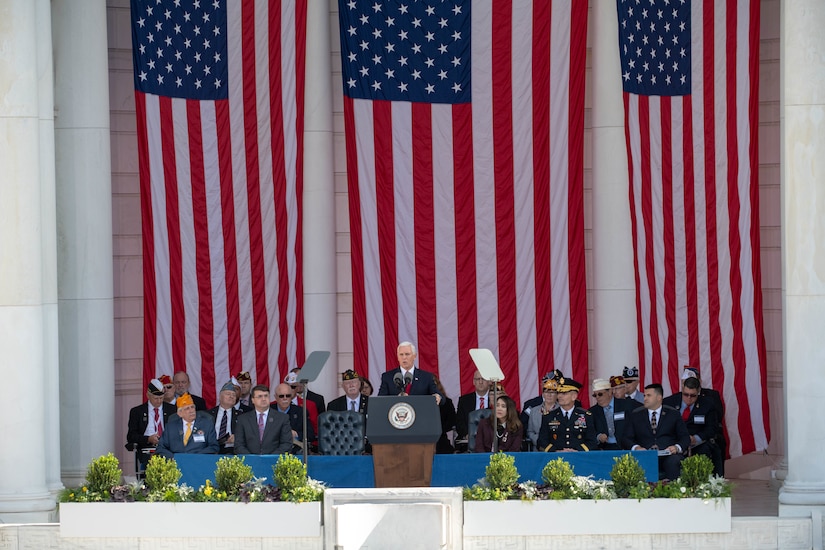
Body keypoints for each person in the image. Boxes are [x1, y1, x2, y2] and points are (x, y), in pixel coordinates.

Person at [622, 383, 690, 480]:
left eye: (648, 396)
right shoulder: (636, 415)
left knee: (674, 461)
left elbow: (685, 437)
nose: (645, 398)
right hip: (645, 454)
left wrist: (676, 447)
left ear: (659, 398)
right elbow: (626, 438)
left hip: (668, 455)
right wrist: (636, 448)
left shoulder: (673, 414)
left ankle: (674, 492)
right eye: (644, 395)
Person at [663, 376, 724, 475]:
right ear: (682, 389)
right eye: (686, 394)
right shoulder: (669, 402)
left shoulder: (707, 405)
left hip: (697, 444)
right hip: (674, 443)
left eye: (693, 395)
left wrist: (696, 438)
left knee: (705, 452)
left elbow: (712, 428)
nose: (689, 398)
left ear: (698, 392)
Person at [126, 378, 177, 468]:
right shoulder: (137, 411)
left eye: (161, 398)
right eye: (156, 398)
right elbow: (131, 436)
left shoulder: (172, 410)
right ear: (148, 396)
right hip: (146, 449)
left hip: (167, 448)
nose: (159, 401)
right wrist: (148, 439)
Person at [536, 377, 597, 452]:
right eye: (558, 393)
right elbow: (542, 441)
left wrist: (577, 451)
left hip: (579, 458)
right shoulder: (549, 416)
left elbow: (592, 441)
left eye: (564, 393)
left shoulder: (586, 416)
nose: (559, 396)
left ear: (574, 396)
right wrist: (556, 451)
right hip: (556, 459)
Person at [377, 341, 443, 405]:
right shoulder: (387, 377)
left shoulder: (426, 377)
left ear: (414, 356)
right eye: (401, 354)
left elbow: (441, 398)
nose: (404, 357)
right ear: (398, 357)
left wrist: (438, 396)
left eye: (407, 354)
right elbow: (380, 400)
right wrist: (396, 399)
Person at [234, 385, 293, 455]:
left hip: (274, 462)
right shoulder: (243, 419)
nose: (263, 399)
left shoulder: (282, 418)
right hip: (249, 462)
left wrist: (269, 459)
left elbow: (286, 444)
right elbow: (239, 445)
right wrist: (252, 458)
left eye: (266, 396)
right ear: (252, 400)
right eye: (260, 396)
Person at [156, 393, 218, 458]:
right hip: (175, 462)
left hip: (198, 461)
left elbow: (214, 446)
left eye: (192, 407)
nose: (191, 411)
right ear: (180, 413)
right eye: (187, 408)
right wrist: (174, 457)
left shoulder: (206, 424)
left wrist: (196, 457)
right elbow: (161, 448)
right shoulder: (170, 427)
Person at [588, 378, 636, 450]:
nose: (597, 397)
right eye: (595, 395)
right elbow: (589, 432)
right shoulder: (592, 412)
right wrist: (598, 436)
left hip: (625, 447)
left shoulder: (627, 405)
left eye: (600, 394)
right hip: (604, 449)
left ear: (610, 391)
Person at [271, 382, 315, 453]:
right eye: (281, 396)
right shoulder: (269, 411)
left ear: (291, 397)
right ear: (275, 397)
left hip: (295, 450)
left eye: (288, 396)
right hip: (273, 450)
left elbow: (310, 434)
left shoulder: (300, 411)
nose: (285, 398)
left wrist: (296, 434)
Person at [455, 369, 492, 446]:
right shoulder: (464, 400)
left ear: (489, 382)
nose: (480, 382)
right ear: (473, 382)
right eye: (478, 379)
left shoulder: (496, 399)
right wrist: (467, 435)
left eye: (483, 379)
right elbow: (459, 422)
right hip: (468, 440)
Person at [208, 381, 243, 454]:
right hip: (211, 450)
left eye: (233, 395)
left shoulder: (241, 416)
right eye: (228, 394)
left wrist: (237, 438)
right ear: (220, 396)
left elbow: (247, 435)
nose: (231, 396)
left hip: (231, 451)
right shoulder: (208, 414)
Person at [284, 371, 320, 438]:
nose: (289, 389)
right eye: (286, 386)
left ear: (297, 388)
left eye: (293, 387)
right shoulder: (273, 405)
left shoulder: (309, 405)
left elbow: (315, 430)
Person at [526, 377, 559, 448]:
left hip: (556, 447)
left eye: (552, 392)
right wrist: (539, 440)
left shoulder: (561, 410)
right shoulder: (534, 411)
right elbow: (530, 432)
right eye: (547, 392)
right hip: (538, 447)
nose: (549, 395)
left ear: (557, 395)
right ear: (543, 394)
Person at [433, 376, 457, 454]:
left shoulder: (447, 403)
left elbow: (452, 421)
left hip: (441, 438)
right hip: (423, 441)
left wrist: (438, 430)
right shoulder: (420, 403)